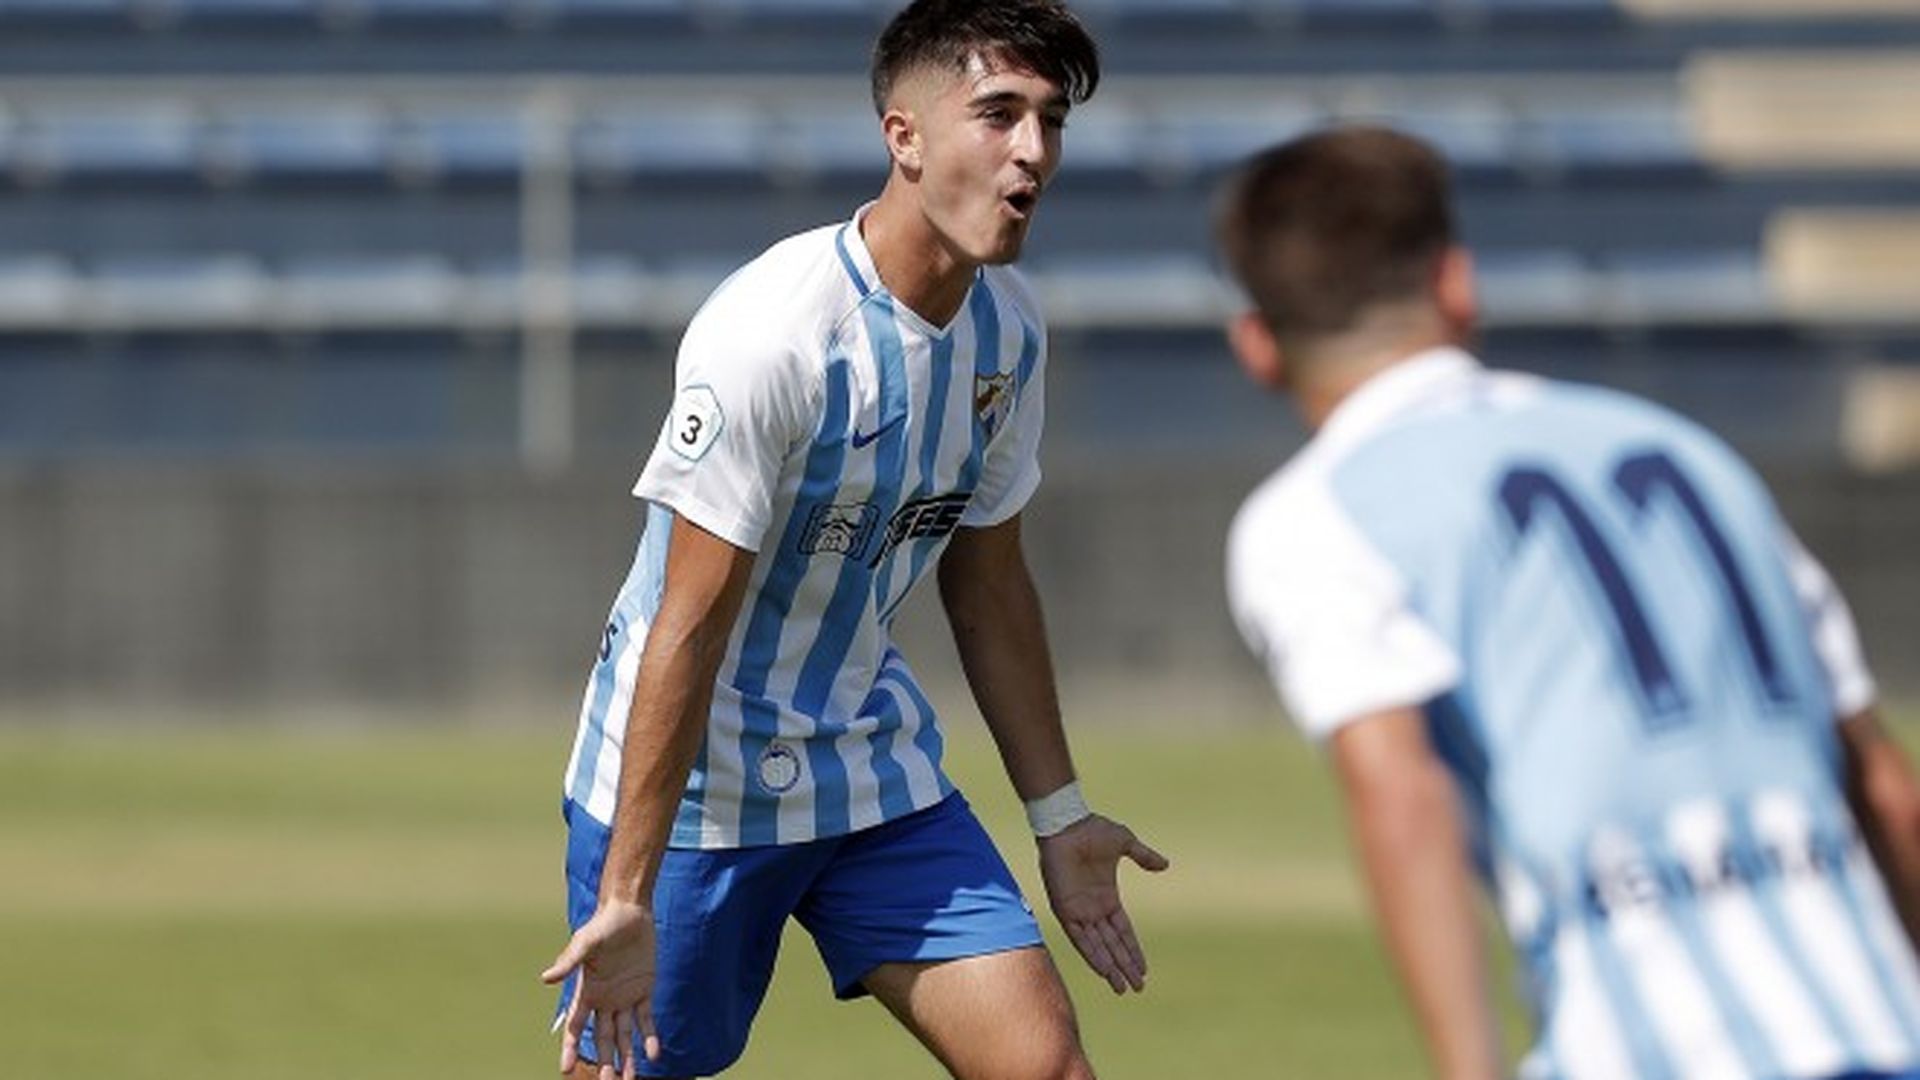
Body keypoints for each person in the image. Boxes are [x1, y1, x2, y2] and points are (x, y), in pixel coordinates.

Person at [539, 3, 1168, 1077]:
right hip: (696, 797)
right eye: (999, 114)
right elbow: (686, 627)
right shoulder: (773, 337)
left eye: (1051, 121)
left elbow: (990, 585)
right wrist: (628, 894)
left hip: (870, 776)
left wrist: (1059, 817)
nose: (1034, 152)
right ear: (904, 136)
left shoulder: (1008, 330)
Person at [1214, 125, 1920, 1080]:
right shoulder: (1687, 451)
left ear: (1256, 345)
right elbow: (1880, 783)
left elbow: (1399, 790)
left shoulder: (1312, 516)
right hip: (1881, 1025)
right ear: (1457, 283)